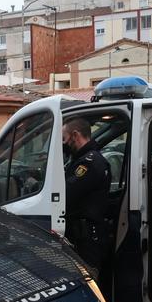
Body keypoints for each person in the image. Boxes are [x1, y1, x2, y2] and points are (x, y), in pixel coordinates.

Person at [62, 117, 112, 274]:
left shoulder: (89, 162)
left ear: (75, 135)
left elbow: (67, 194)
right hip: (83, 235)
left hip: (87, 238)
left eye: (64, 139)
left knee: (88, 281)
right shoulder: (84, 159)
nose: (63, 144)